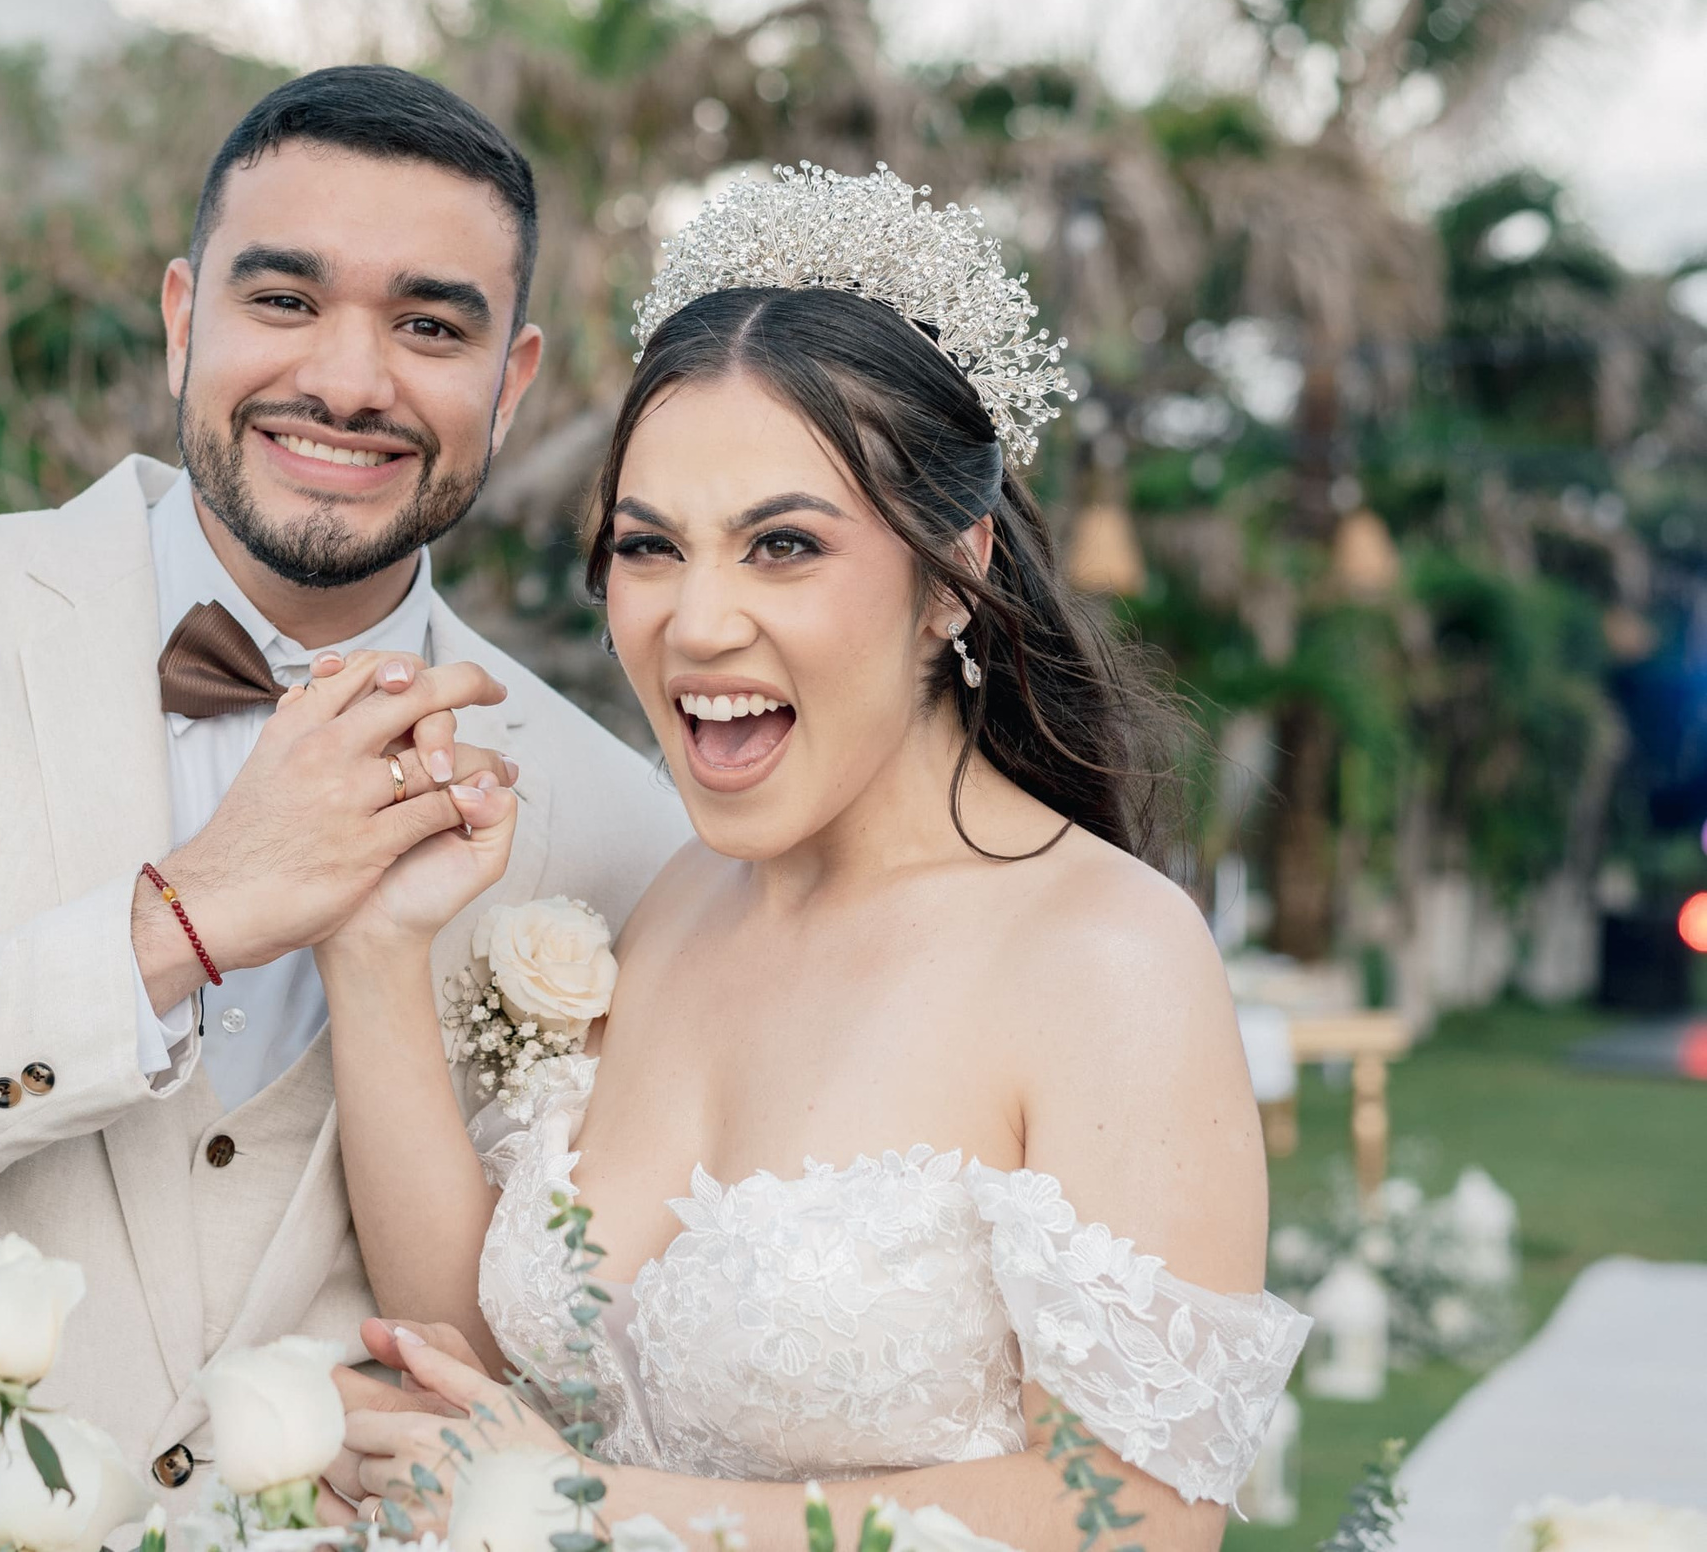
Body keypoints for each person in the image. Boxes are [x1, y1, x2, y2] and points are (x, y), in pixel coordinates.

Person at [0, 66, 690, 1499]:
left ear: (516, 377)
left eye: (431, 325)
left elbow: (571, 1358)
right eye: (285, 300)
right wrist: (183, 918)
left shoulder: (623, 824)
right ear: (185, 321)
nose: (351, 381)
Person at [310, 165, 1310, 1551]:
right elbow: (494, 1366)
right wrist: (372, 953)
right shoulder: (675, 903)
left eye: (782, 545)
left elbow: (1135, 1521)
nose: (697, 621)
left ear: (950, 569)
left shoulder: (1105, 956)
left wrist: (593, 1512)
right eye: (649, 548)